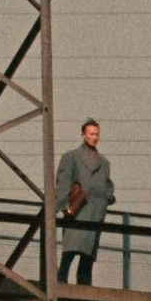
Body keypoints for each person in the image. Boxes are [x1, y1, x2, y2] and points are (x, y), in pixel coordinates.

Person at [55, 118, 114, 285]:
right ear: (83, 135)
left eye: (96, 134)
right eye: (90, 134)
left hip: (95, 212)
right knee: (69, 251)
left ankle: (84, 287)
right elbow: (63, 182)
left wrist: (107, 198)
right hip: (77, 211)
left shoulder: (104, 163)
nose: (93, 137)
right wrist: (63, 205)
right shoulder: (71, 157)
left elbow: (108, 184)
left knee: (88, 256)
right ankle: (61, 284)